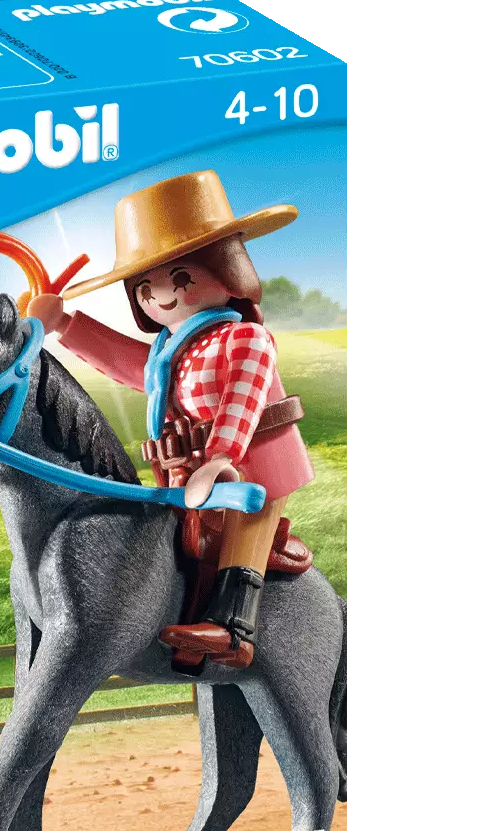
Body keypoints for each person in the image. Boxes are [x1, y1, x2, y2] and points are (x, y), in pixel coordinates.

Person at [26, 170, 312, 669]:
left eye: (180, 278)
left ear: (228, 269)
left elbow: (242, 402)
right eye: (144, 287)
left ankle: (233, 629)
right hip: (186, 472)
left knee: (246, 528)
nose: (161, 295)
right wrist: (65, 325)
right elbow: (129, 364)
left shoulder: (245, 339)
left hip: (257, 464)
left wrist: (220, 457)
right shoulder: (168, 352)